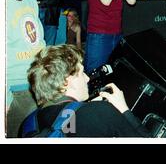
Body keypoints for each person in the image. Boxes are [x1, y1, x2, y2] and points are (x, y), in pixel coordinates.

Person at [22, 44, 150, 137]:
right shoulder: (100, 112)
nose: (88, 78)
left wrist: (84, 108)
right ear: (65, 82)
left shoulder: (28, 123)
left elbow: (70, 126)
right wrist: (124, 110)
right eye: (82, 73)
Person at [6, 0, 46, 137]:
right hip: (15, 89)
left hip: (37, 82)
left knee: (67, 119)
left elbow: (39, 42)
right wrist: (5, 101)